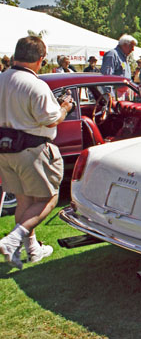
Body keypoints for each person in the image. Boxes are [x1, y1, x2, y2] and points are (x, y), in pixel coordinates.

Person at [0, 36, 74, 269]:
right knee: (49, 198)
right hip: (33, 147)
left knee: (24, 199)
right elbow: (50, 120)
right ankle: (13, 240)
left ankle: (31, 248)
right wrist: (64, 108)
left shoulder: (2, 78)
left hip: (6, 147)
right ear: (40, 60)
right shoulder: (35, 85)